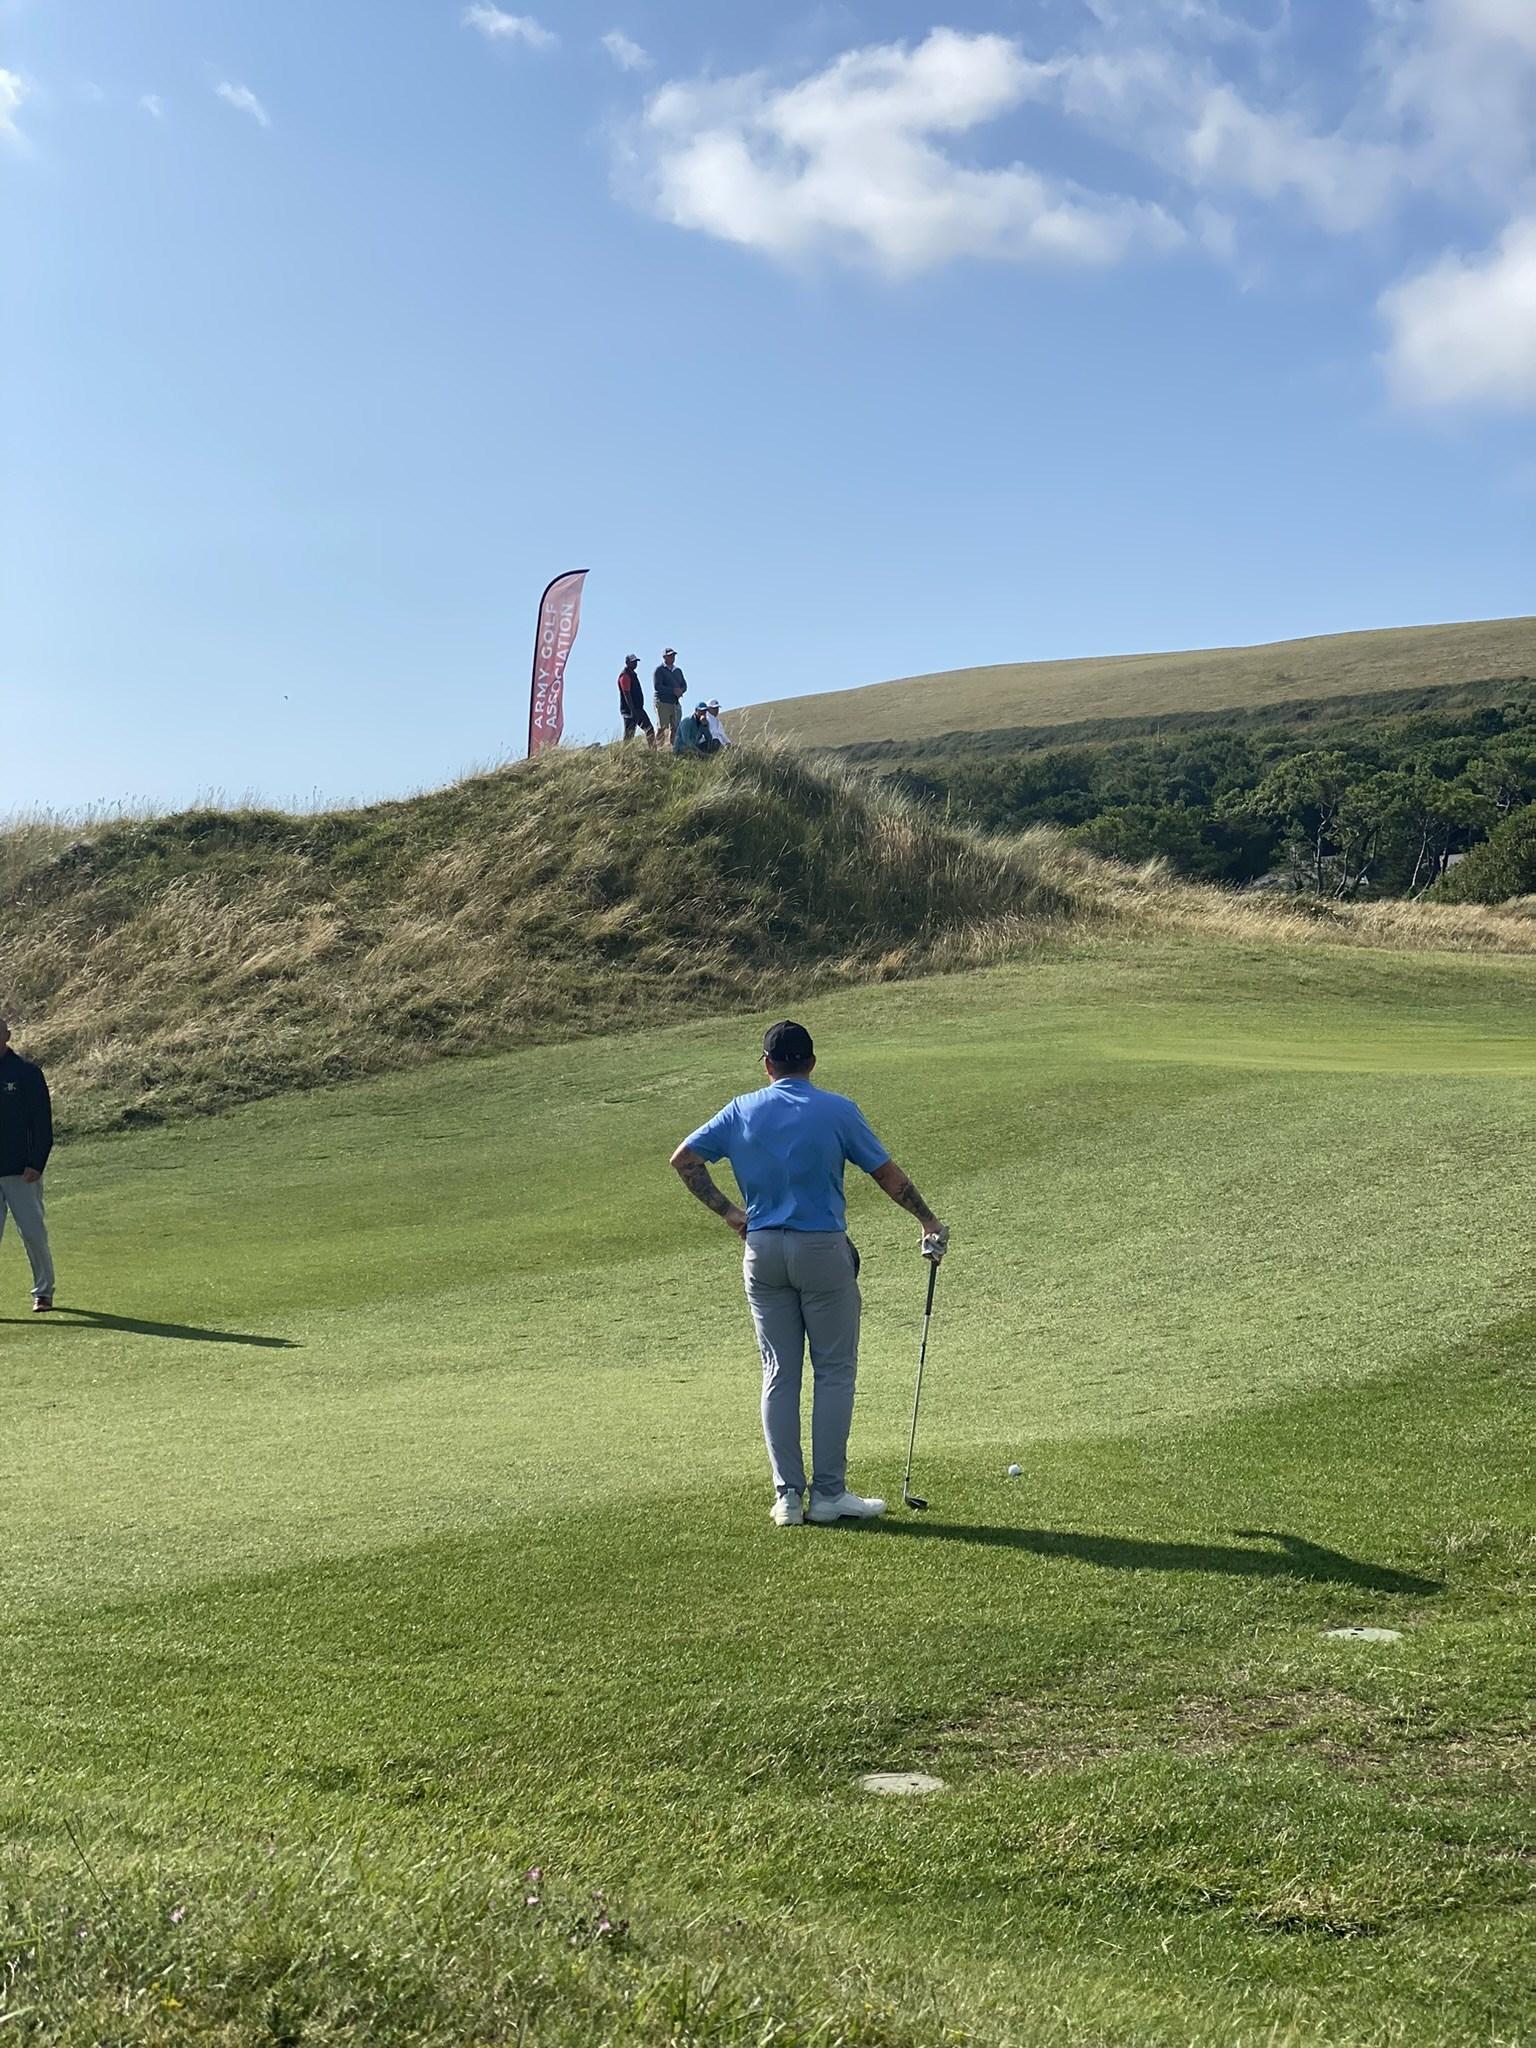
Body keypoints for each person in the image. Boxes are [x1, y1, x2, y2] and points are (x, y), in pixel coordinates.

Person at [670, 1021, 947, 1526]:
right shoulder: (836, 1110)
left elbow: (684, 1160)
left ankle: (787, 1499)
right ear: (812, 1063)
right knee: (834, 1370)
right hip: (822, 1250)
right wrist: (927, 1220)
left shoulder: (741, 1109)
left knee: (779, 1372)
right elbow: (886, 1175)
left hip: (762, 1251)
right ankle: (829, 1495)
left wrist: (731, 1214)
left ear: (767, 1065)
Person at [0, 1017, 55, 1312]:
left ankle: (43, 1292)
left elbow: (41, 1122)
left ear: (7, 1035)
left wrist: (37, 1161)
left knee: (33, 1234)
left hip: (22, 1171)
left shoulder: (25, 1072)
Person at [653, 647, 687, 745]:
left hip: (675, 702)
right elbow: (657, 686)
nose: (672, 657)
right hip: (663, 702)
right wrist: (673, 691)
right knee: (662, 727)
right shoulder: (659, 670)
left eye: (673, 655)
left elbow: (684, 685)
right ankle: (659, 747)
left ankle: (673, 747)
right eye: (670, 656)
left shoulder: (678, 671)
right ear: (664, 657)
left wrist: (681, 691)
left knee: (676, 727)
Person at [617, 656, 654, 744]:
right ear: (627, 663)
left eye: (636, 662)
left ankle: (653, 750)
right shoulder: (625, 675)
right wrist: (632, 710)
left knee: (649, 729)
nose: (635, 664)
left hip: (638, 708)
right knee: (629, 735)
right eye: (633, 662)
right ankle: (625, 752)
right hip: (629, 710)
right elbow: (626, 693)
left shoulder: (632, 674)